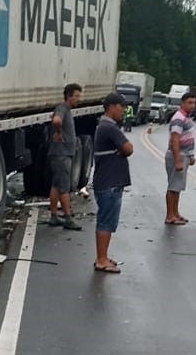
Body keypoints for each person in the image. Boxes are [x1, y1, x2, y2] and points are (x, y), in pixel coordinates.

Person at [92, 92, 133, 273]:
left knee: (106, 220)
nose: (124, 110)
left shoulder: (106, 126)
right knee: (106, 222)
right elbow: (128, 148)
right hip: (109, 182)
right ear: (112, 106)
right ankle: (101, 259)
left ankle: (103, 256)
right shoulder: (109, 128)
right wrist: (122, 150)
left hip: (108, 181)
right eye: (121, 106)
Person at [47, 83, 83, 229]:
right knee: (64, 187)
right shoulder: (62, 108)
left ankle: (54, 216)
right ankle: (68, 218)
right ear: (68, 96)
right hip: (61, 155)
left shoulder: (66, 110)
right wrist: (58, 132)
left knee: (56, 185)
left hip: (60, 154)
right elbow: (56, 120)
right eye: (76, 96)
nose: (79, 99)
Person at [164, 92, 196, 225]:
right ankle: (169, 216)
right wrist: (178, 160)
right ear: (182, 103)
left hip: (184, 155)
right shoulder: (179, 118)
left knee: (177, 187)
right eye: (189, 103)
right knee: (173, 187)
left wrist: (191, 155)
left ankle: (175, 213)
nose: (192, 106)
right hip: (177, 156)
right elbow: (175, 140)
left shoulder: (186, 117)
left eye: (194, 103)